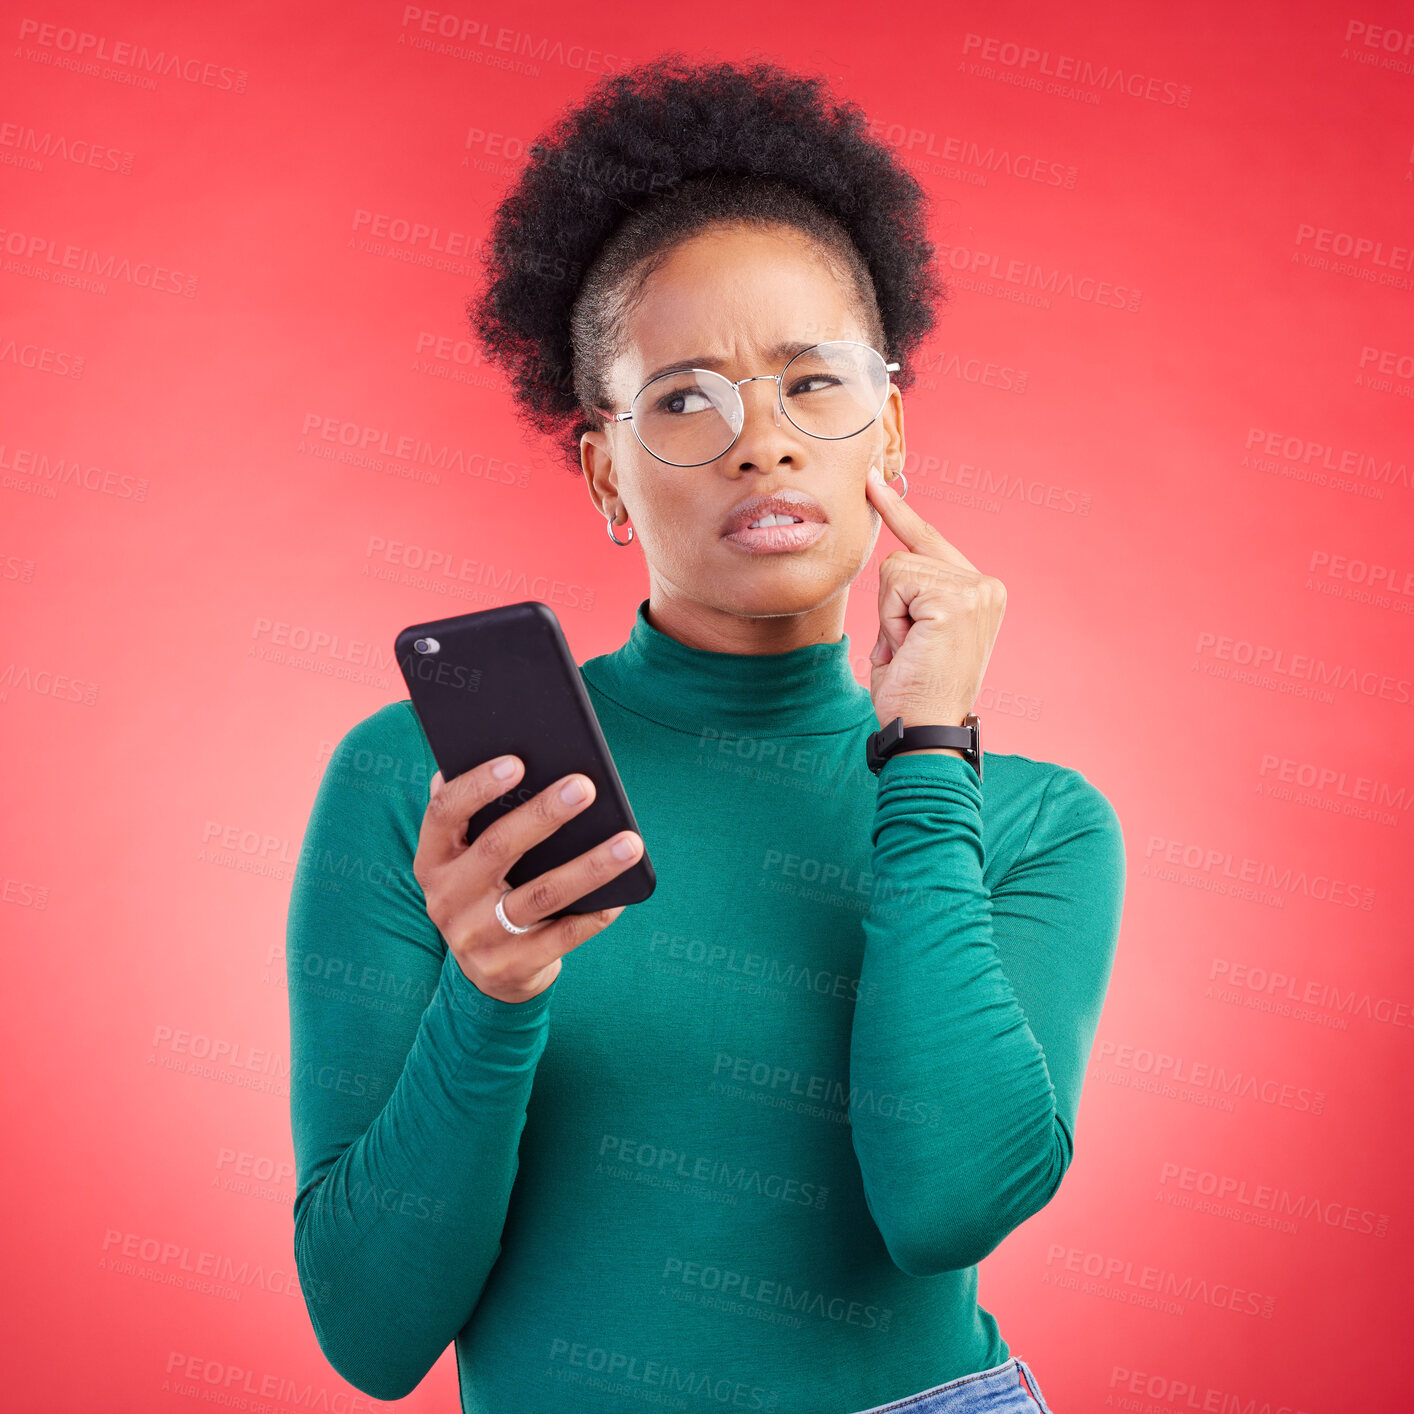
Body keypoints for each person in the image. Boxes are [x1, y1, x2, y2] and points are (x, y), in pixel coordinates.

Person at [285, 53, 1126, 1414]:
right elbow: (371, 1332)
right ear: (606, 471)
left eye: (813, 386)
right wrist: (491, 994)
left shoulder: (1029, 820)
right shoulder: (428, 787)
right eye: (685, 398)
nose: (761, 444)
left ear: (886, 428)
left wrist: (927, 757)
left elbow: (944, 1203)